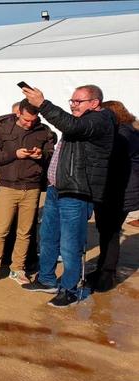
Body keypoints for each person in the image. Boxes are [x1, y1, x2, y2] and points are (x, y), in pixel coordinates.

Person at [21, 84, 115, 307]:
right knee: (48, 237)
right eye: (71, 101)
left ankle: (70, 289)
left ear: (94, 103)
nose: (73, 105)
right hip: (57, 188)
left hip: (77, 192)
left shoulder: (99, 120)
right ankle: (46, 279)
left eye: (78, 101)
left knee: (70, 244)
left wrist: (42, 104)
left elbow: (71, 126)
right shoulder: (83, 122)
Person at [0, 99, 55, 285]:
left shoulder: (44, 132)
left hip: (32, 188)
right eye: (27, 120)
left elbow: (52, 155)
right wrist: (14, 154)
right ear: (18, 113)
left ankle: (18, 269)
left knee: (25, 232)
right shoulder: (3, 130)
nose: (30, 124)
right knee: (1, 230)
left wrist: (41, 155)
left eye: (33, 120)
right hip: (8, 187)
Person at [86, 100, 138, 292]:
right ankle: (102, 269)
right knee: (106, 231)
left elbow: (110, 158)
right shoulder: (125, 131)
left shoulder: (124, 134)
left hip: (119, 192)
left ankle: (107, 275)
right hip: (113, 190)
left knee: (111, 232)